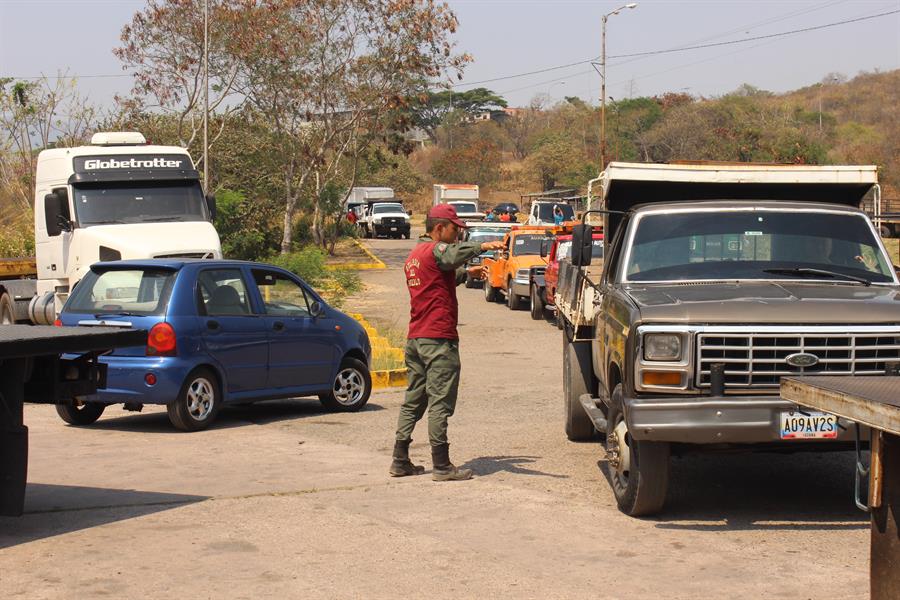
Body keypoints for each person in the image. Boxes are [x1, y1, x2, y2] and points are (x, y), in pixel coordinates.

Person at [390, 204, 504, 481]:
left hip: (416, 338)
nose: (457, 235)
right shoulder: (435, 250)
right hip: (438, 339)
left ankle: (399, 459)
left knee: (414, 399)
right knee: (440, 401)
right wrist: (484, 245)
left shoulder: (415, 255)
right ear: (439, 228)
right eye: (455, 229)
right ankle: (441, 465)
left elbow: (436, 281)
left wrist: (468, 274)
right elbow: (449, 255)